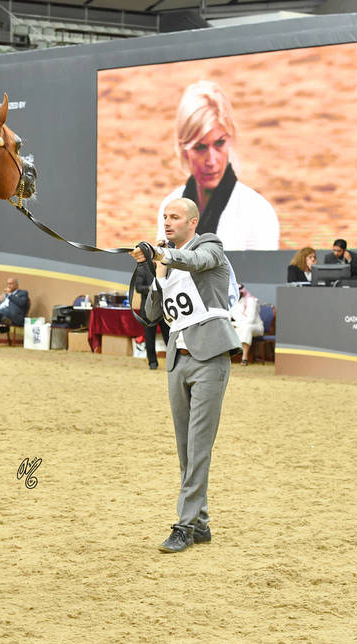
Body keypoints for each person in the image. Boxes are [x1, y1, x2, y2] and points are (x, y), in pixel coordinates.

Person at [132, 197, 240, 553]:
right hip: (178, 360)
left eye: (174, 217)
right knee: (184, 448)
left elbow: (196, 260)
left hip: (210, 358)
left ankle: (183, 525)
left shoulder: (210, 246)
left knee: (198, 447)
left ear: (192, 223)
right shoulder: (167, 263)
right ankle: (201, 522)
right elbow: (150, 314)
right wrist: (156, 272)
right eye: (164, 217)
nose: (167, 222)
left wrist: (163, 256)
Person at [157, 80, 279, 251]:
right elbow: (163, 275)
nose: (211, 161)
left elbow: (259, 277)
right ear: (183, 148)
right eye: (200, 147)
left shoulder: (257, 212)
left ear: (230, 139)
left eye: (219, 143)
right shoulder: (169, 204)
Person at [134, 264, 169, 370]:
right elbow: (138, 287)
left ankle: (175, 361)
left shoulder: (166, 266)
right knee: (149, 338)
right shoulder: (142, 269)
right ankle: (152, 362)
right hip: (148, 310)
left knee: (169, 337)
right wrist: (150, 288)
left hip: (164, 309)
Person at [229, 284, 263, 365]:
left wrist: (234, 324)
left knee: (246, 328)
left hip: (255, 327)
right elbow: (228, 317)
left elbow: (250, 320)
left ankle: (244, 357)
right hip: (238, 326)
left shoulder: (251, 301)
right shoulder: (232, 303)